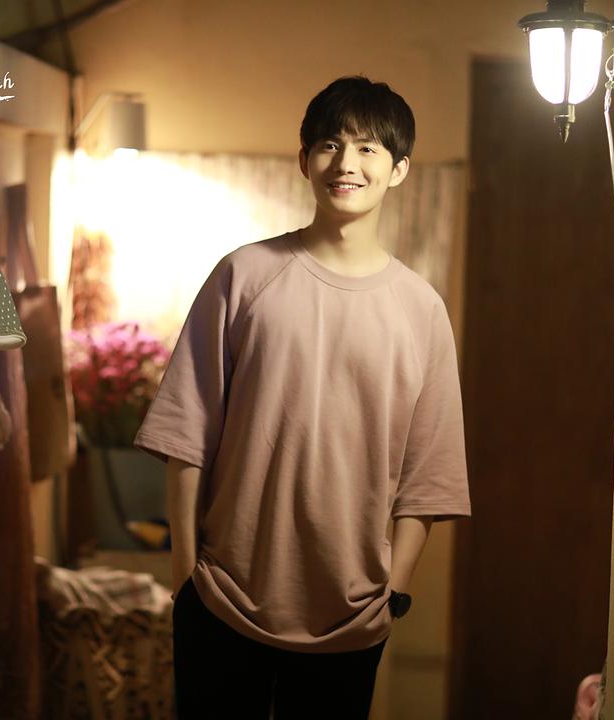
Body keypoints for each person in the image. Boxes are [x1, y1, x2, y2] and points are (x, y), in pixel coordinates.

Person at [133, 75, 472, 719]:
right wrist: (186, 580)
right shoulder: (244, 275)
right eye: (329, 145)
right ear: (304, 160)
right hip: (220, 601)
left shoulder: (421, 310)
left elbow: (429, 477)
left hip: (351, 617)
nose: (346, 164)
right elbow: (186, 435)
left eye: (369, 149)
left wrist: (393, 594)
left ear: (399, 169)